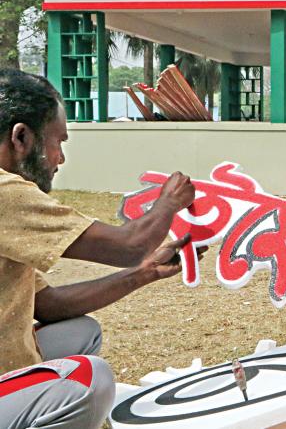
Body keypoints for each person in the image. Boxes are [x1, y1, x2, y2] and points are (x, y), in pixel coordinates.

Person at [0, 69, 199, 429]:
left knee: (81, 333)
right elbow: (129, 246)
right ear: (21, 137)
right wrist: (168, 203)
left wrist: (146, 273)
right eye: (57, 142)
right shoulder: (5, 193)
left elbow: (46, 304)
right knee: (90, 380)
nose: (59, 158)